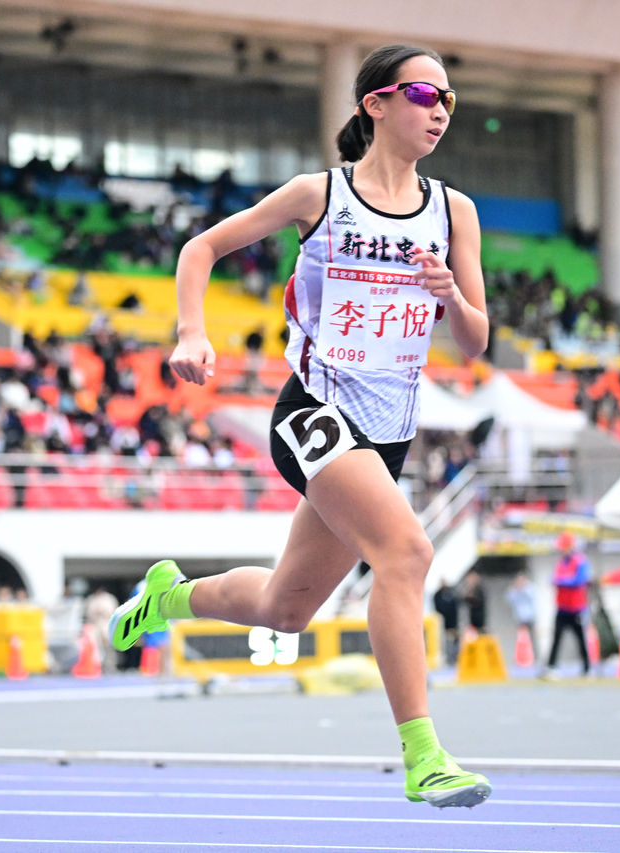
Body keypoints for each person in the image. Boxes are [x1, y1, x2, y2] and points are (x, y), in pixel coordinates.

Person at [108, 45, 491, 808]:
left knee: (285, 608)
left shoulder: (455, 212)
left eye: (450, 98)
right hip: (315, 409)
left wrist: (450, 294)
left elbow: (476, 341)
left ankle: (169, 596)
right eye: (425, 94)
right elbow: (201, 248)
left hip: (389, 431)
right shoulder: (320, 194)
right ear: (376, 104)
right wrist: (192, 332)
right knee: (407, 552)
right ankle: (424, 756)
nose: (441, 110)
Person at [542, 531, 590, 679]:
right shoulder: (561, 563)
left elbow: (580, 580)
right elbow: (552, 578)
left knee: (580, 639)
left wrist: (562, 581)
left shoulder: (580, 561)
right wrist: (558, 580)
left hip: (576, 608)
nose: (562, 550)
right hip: (562, 608)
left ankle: (586, 668)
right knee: (556, 638)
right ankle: (551, 667)